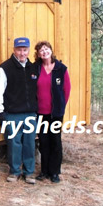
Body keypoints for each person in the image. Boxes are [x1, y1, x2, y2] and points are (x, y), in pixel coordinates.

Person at [0, 37, 38, 184]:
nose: (22, 53)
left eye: (25, 50)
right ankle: (15, 172)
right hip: (12, 114)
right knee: (14, 144)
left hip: (30, 114)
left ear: (29, 50)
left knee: (30, 143)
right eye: (19, 49)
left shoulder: (34, 68)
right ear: (14, 50)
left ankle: (29, 173)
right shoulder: (5, 68)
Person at [34, 40, 71, 183]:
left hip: (55, 114)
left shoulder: (61, 69)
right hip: (40, 113)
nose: (44, 52)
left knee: (55, 141)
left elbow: (66, 90)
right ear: (38, 54)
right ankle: (44, 171)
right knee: (43, 142)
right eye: (41, 50)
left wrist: (60, 107)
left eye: (46, 49)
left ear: (51, 50)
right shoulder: (36, 68)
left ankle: (54, 172)